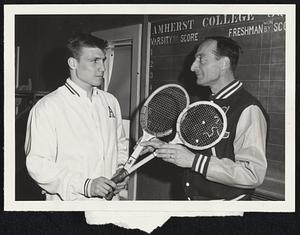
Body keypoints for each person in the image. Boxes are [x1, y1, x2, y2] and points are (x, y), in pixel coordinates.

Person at [141, 36, 269, 201]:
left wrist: (194, 161)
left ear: (223, 63)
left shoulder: (248, 108)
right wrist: (163, 147)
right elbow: (196, 153)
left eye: (201, 59)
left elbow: (251, 174)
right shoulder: (205, 104)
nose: (193, 67)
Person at [25, 33, 129, 204]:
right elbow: (38, 165)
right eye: (94, 61)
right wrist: (85, 185)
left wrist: (121, 171)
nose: (102, 68)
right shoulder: (47, 107)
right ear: (73, 63)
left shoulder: (110, 101)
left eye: (103, 60)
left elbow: (120, 145)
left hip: (110, 206)